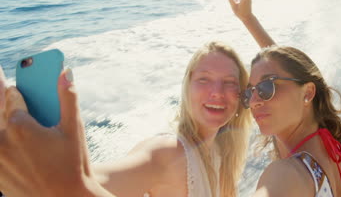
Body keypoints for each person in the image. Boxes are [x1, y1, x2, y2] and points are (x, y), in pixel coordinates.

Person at [0, 41, 252, 197]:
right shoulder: (169, 153)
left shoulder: (223, 155)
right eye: (204, 79)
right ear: (186, 89)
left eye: (229, 82)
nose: (217, 91)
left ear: (241, 95)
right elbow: (100, 181)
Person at [229, 0, 341, 197]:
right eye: (250, 92)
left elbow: (290, 73)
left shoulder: (286, 175)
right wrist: (248, 19)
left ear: (308, 94)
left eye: (266, 88)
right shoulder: (331, 147)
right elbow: (292, 73)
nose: (253, 101)